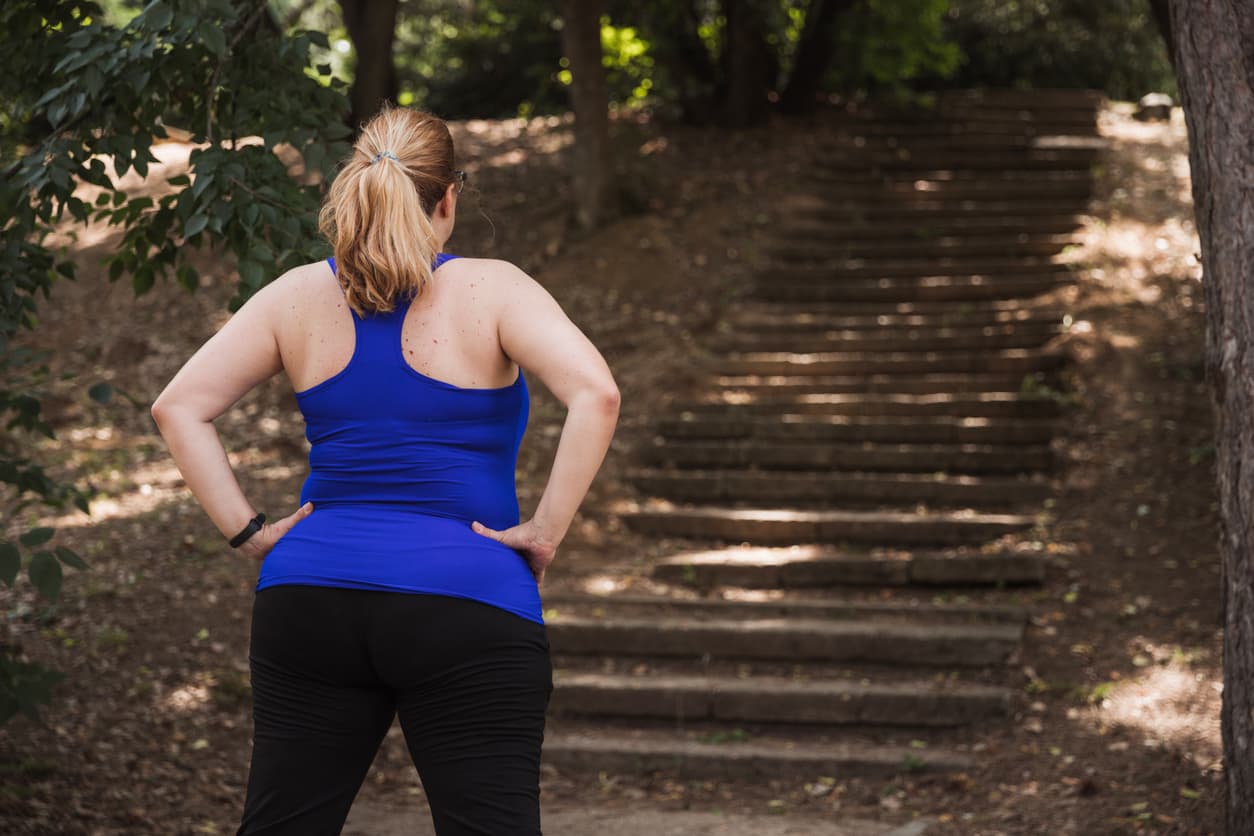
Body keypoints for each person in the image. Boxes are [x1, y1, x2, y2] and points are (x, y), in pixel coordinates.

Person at [150, 105, 621, 835]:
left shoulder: (295, 295)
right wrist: (545, 531)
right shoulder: (495, 289)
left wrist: (250, 533)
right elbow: (597, 394)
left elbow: (177, 406)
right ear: (449, 197)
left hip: (309, 596)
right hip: (467, 597)